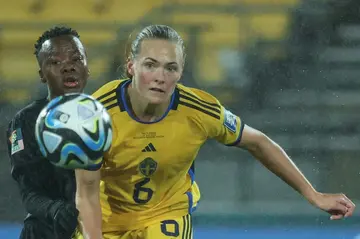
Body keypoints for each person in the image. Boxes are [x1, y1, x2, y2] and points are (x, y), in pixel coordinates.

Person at [74, 25, 355, 239]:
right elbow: (85, 194)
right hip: (104, 218)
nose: (160, 76)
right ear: (131, 66)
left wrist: (313, 194)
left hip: (165, 214)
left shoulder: (199, 109)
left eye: (171, 68)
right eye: (150, 65)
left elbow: (258, 142)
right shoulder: (96, 116)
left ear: (181, 73)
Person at [6, 26, 90, 239]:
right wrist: (56, 210)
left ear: (87, 66)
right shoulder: (25, 122)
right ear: (42, 75)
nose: (68, 67)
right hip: (45, 232)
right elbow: (30, 193)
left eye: (76, 59)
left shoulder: (107, 116)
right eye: (55, 62)